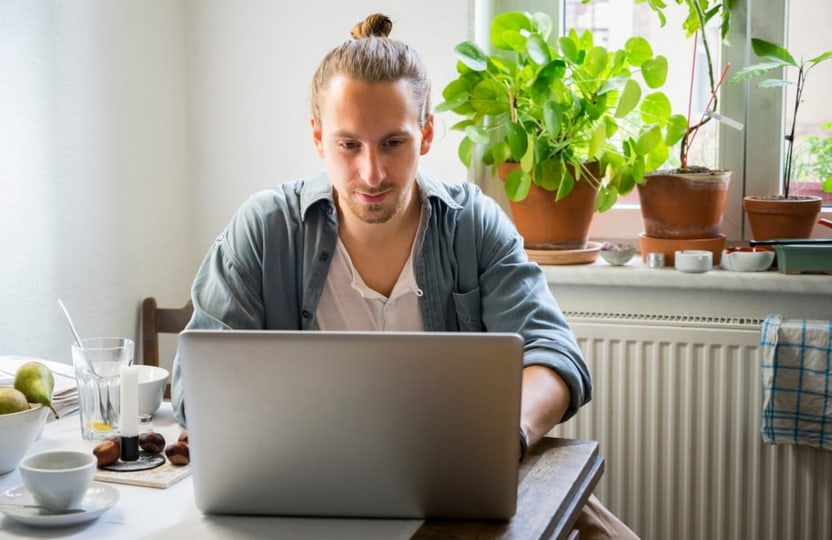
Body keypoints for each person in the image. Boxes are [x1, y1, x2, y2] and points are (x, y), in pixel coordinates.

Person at [171, 13, 636, 539]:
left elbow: (554, 354)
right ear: (318, 138)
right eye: (349, 145)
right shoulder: (265, 229)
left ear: (428, 133)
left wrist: (505, 435)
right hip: (302, 499)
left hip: (450, 496)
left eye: (393, 143)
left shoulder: (474, 225)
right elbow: (195, 389)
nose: (372, 173)